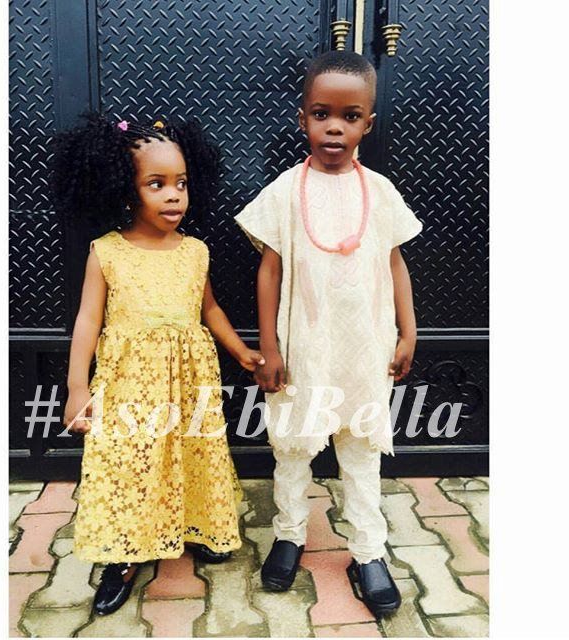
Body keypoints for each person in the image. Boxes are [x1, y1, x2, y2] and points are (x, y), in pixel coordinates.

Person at [51, 113, 264, 616]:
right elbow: (87, 320)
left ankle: (199, 525)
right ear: (125, 190)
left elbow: (209, 309)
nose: (174, 196)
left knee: (193, 451)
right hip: (129, 384)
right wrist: (77, 388)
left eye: (181, 184)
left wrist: (241, 351)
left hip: (190, 382)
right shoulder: (107, 252)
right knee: (131, 464)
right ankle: (125, 554)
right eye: (157, 184)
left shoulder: (195, 251)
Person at [234, 51, 423, 619]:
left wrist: (408, 331)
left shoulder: (380, 192)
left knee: (361, 449)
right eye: (322, 114)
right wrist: (269, 346)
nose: (334, 127)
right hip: (303, 348)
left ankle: (367, 550)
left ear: (368, 123)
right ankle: (289, 534)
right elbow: (269, 270)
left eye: (349, 116)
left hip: (364, 348)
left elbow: (395, 264)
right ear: (303, 119)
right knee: (293, 446)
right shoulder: (285, 191)